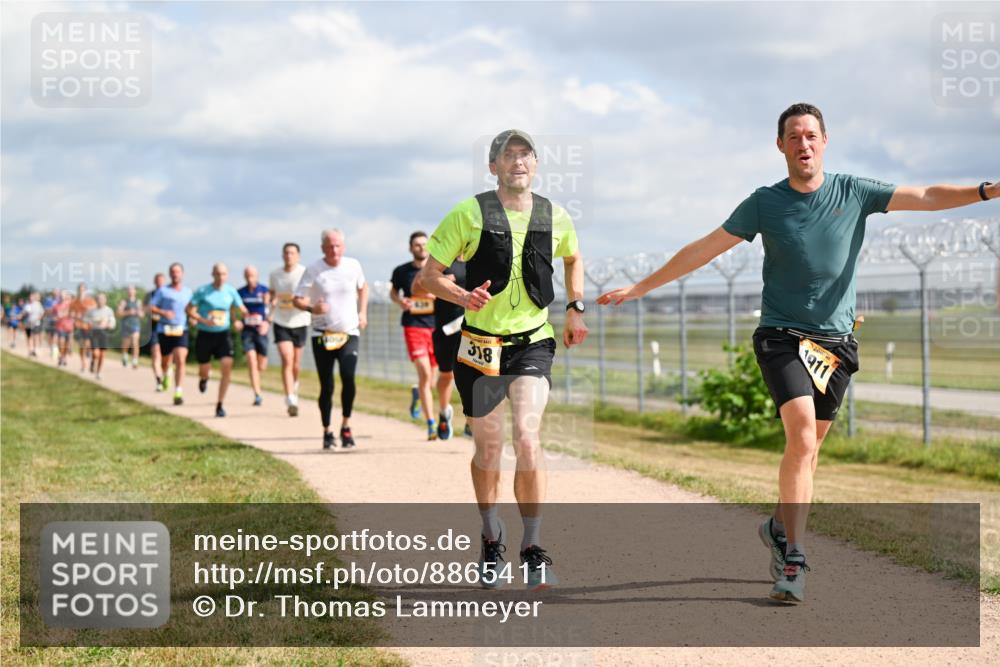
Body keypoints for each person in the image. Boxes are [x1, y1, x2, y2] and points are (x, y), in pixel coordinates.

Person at [598, 102, 999, 604]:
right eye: (794, 136)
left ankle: (777, 526)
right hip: (781, 337)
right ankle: (796, 556)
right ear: (781, 146)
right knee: (803, 439)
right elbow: (704, 248)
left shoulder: (855, 191)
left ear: (824, 141)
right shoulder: (765, 203)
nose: (803, 144)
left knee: (808, 455)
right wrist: (640, 288)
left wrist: (989, 190)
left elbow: (926, 194)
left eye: (811, 135)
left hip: (835, 345)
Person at [416, 129, 588, 591]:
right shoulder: (469, 213)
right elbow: (428, 276)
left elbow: (573, 258)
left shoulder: (554, 214)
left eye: (525, 155)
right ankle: (491, 535)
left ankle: (533, 547)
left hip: (533, 341)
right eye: (507, 156)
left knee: (528, 438)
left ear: (535, 165)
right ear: (492, 167)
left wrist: (575, 306)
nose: (518, 162)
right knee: (489, 447)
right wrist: (459, 293)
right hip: (479, 346)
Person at [292, 229, 368, 450]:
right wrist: (311, 308)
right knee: (327, 385)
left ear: (343, 247)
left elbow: (363, 288)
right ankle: (327, 430)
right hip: (322, 334)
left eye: (338, 246)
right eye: (330, 246)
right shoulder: (314, 269)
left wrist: (363, 313)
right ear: (322, 248)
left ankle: (346, 425)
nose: (334, 250)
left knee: (348, 377)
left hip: (349, 332)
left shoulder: (353, 265)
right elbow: (297, 299)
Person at [391, 231, 440, 439]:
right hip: (413, 326)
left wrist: (436, 295)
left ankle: (418, 394)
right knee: (425, 374)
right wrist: (400, 301)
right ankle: (431, 424)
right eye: (417, 245)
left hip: (437, 327)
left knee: (432, 381)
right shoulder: (402, 271)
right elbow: (393, 292)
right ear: (411, 248)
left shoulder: (437, 269)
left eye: (424, 244)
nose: (421, 248)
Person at [414, 256, 468, 439]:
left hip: (471, 327)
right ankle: (444, 412)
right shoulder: (441, 260)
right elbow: (417, 287)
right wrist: (440, 283)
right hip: (445, 329)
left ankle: (472, 420)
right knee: (447, 374)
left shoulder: (478, 258)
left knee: (475, 373)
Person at [187, 263, 247, 418]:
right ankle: (204, 378)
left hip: (223, 334)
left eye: (224, 274)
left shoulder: (230, 291)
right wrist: (203, 320)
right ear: (212, 274)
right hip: (205, 333)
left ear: (227, 275)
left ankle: (220, 404)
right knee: (204, 368)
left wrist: (238, 320)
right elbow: (189, 309)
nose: (221, 277)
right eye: (218, 274)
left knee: (227, 364)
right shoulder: (203, 291)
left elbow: (239, 308)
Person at [269, 243, 311, 416]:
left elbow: (310, 294)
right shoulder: (275, 275)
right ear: (282, 255)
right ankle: (290, 398)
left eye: (292, 253)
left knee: (295, 363)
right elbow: (272, 294)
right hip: (281, 320)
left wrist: (303, 302)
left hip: (299, 320)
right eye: (286, 253)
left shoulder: (304, 273)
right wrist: (271, 307)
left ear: (298, 256)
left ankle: (294, 385)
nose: (289, 256)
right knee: (287, 358)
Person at [149, 263, 193, 405]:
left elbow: (192, 309)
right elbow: (151, 306)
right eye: (173, 272)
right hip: (165, 329)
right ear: (170, 274)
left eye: (178, 272)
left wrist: (193, 318)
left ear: (182, 274)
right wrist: (163, 312)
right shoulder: (163, 291)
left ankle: (178, 391)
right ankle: (166, 372)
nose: (175, 274)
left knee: (180, 359)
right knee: (165, 361)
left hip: (181, 329)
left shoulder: (188, 292)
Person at [238, 265, 270, 406]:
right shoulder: (240, 292)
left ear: (257, 276)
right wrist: (236, 321)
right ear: (245, 277)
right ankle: (257, 394)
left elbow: (271, 309)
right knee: (251, 360)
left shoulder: (264, 291)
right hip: (247, 331)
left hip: (261, 331)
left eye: (252, 276)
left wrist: (267, 322)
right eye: (248, 276)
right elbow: (234, 310)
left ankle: (257, 377)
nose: (250, 278)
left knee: (261, 365)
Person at [144, 273, 168, 390]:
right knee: (155, 354)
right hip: (153, 329)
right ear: (154, 282)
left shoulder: (169, 294)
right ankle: (158, 380)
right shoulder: (150, 295)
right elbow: (144, 309)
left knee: (166, 358)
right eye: (157, 281)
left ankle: (166, 374)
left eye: (161, 280)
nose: (159, 283)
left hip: (168, 329)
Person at [86, 293, 117, 380]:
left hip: (104, 333)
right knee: (96, 353)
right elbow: (86, 320)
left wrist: (107, 324)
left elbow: (112, 322)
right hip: (94, 332)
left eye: (102, 299)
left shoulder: (109, 310)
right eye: (99, 299)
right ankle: (93, 361)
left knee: (102, 354)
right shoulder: (91, 310)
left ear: (105, 300)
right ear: (96, 300)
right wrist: (91, 323)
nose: (100, 301)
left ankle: (98, 372)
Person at [69, 284, 96, 372]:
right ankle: (83, 365)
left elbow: (95, 311)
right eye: (80, 290)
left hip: (89, 326)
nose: (81, 291)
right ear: (78, 291)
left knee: (88, 345)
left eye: (83, 290)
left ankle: (91, 360)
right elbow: (70, 314)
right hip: (79, 326)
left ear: (85, 291)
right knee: (82, 346)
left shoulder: (90, 301)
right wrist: (74, 316)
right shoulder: (74, 302)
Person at [117, 285, 143, 369]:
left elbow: (142, 314)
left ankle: (135, 360)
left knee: (135, 342)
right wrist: (128, 312)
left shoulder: (138, 302)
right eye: (129, 290)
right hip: (126, 325)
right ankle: (125, 356)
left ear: (135, 291)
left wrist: (139, 313)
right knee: (126, 344)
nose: (130, 291)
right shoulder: (124, 302)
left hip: (135, 325)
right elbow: (119, 313)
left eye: (132, 290)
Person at [53, 291, 74, 367]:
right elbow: (54, 316)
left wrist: (62, 314)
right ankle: (61, 358)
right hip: (60, 327)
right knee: (61, 343)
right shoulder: (56, 306)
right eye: (61, 295)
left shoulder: (70, 305)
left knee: (66, 345)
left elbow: (72, 314)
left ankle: (64, 357)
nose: (62, 296)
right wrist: (56, 318)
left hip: (69, 327)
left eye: (64, 295)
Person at [22, 292, 45, 357]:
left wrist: (38, 319)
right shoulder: (28, 305)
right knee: (29, 337)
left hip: (36, 324)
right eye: (30, 297)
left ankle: (34, 350)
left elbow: (42, 313)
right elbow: (24, 314)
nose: (31, 298)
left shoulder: (38, 304)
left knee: (35, 337)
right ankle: (30, 350)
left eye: (32, 297)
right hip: (28, 324)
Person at [43, 290, 59, 358]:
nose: (56, 294)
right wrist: (51, 310)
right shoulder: (48, 300)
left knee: (56, 335)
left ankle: (55, 349)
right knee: (49, 336)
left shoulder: (60, 300)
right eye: (55, 292)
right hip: (49, 320)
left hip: (57, 321)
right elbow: (46, 310)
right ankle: (51, 348)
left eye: (57, 292)